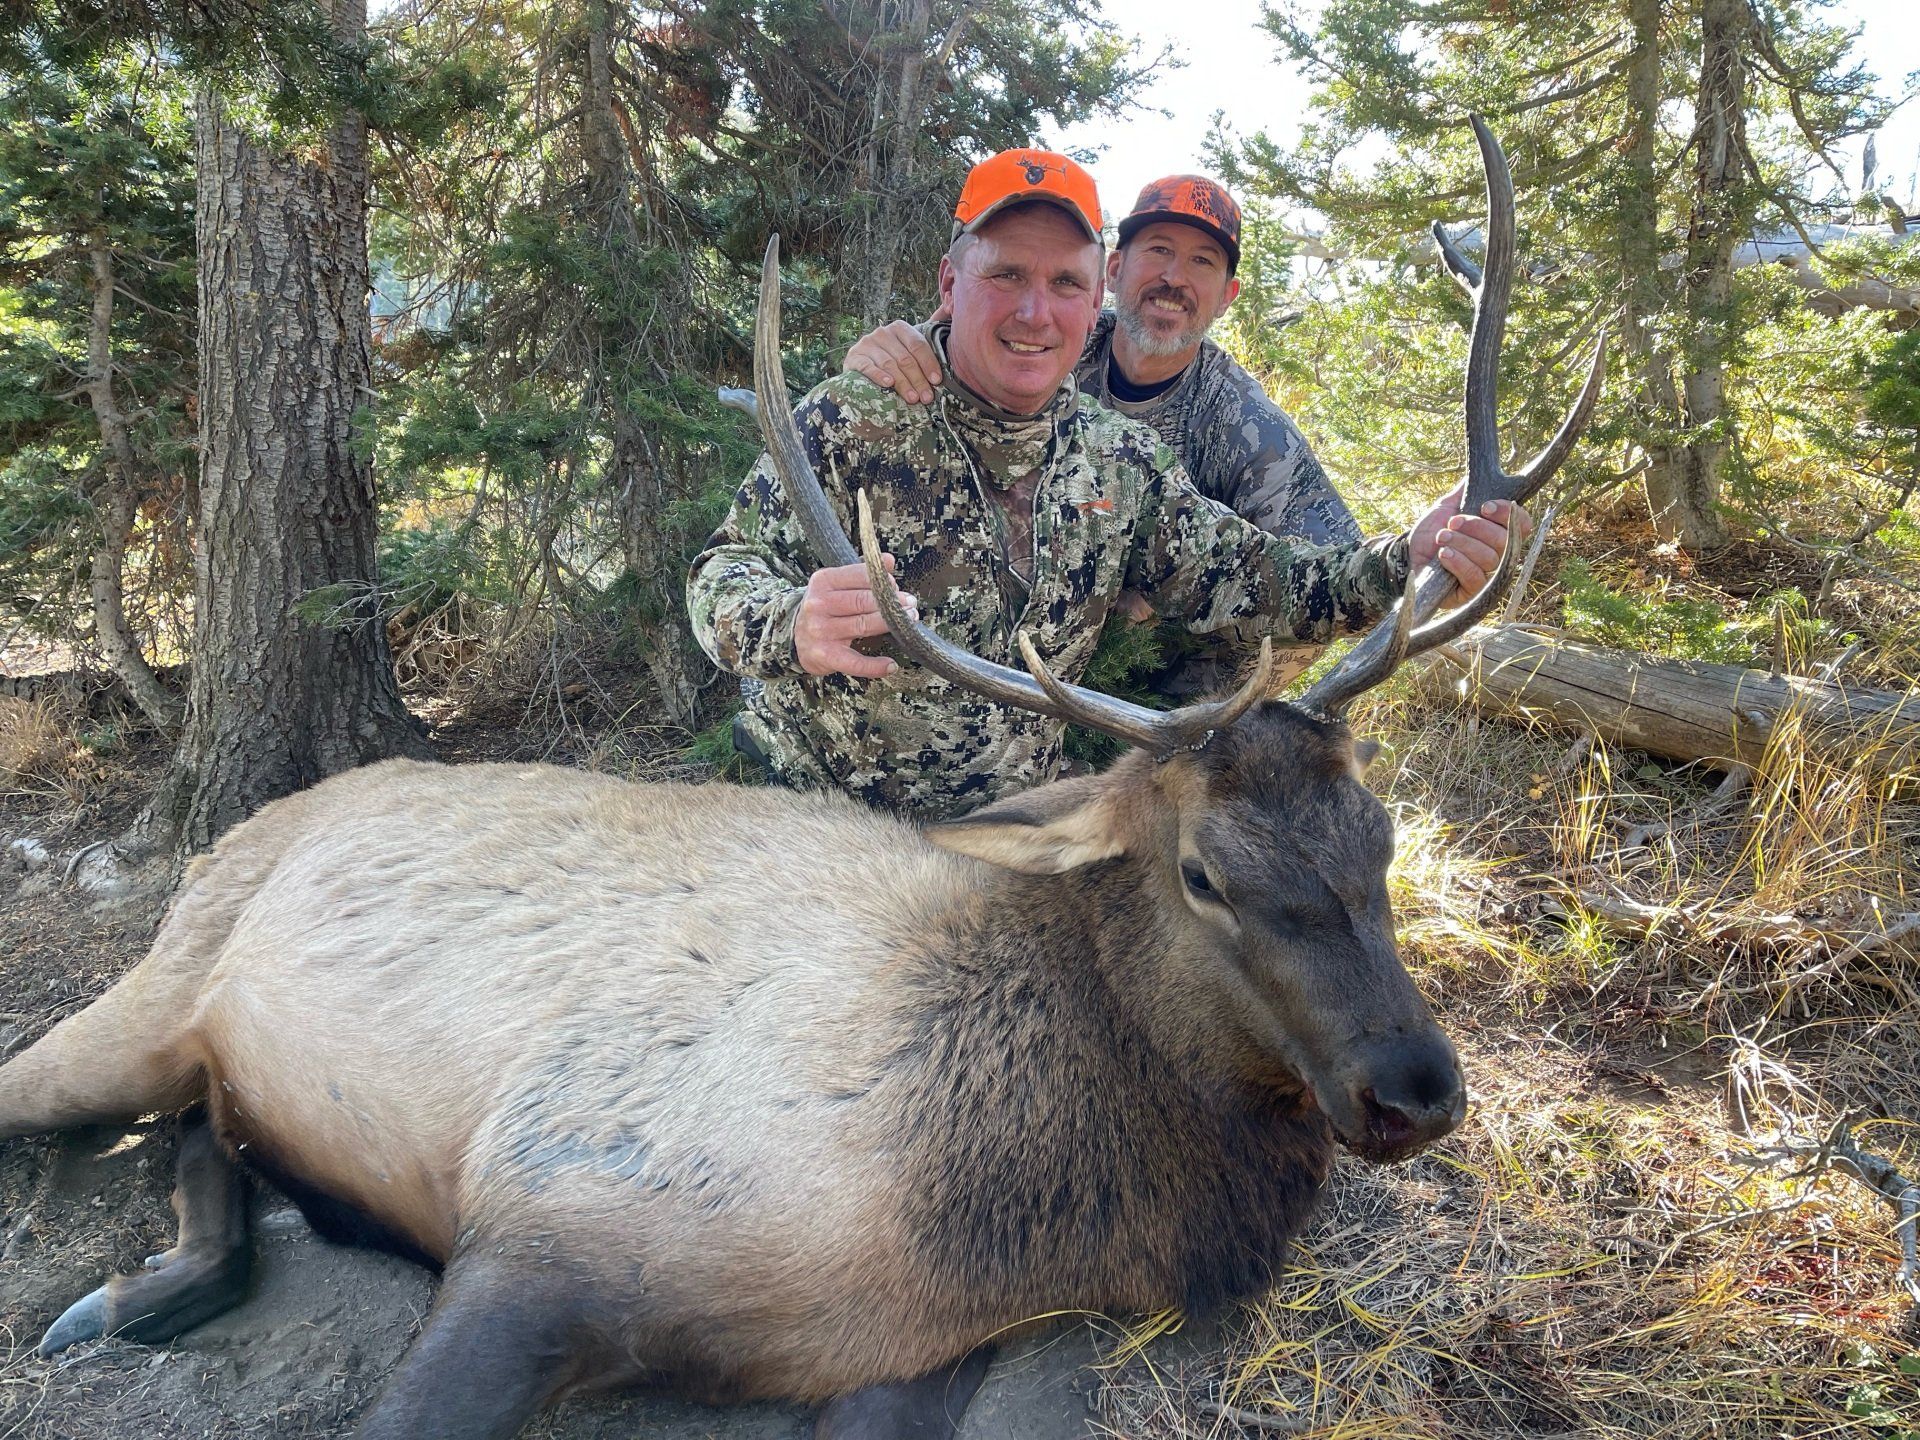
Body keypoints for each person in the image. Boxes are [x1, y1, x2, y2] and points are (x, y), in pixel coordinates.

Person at [686, 148, 1524, 818]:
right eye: (1006, 274)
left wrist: (1399, 558)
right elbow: (718, 573)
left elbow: (1260, 580)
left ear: (1097, 303)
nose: (1033, 313)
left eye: (1064, 285)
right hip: (817, 831)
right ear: (950, 284)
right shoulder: (851, 419)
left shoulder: (1119, 463)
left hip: (1010, 842)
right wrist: (788, 621)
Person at [844, 171, 1352, 692]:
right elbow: (957, 344)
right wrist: (891, 358)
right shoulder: (1057, 339)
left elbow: (1333, 573)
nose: (1174, 277)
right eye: (1158, 249)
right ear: (1113, 270)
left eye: (1203, 261)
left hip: (1159, 693)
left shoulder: (1251, 429)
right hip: (1030, 649)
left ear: (1227, 295)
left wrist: (1221, 705)